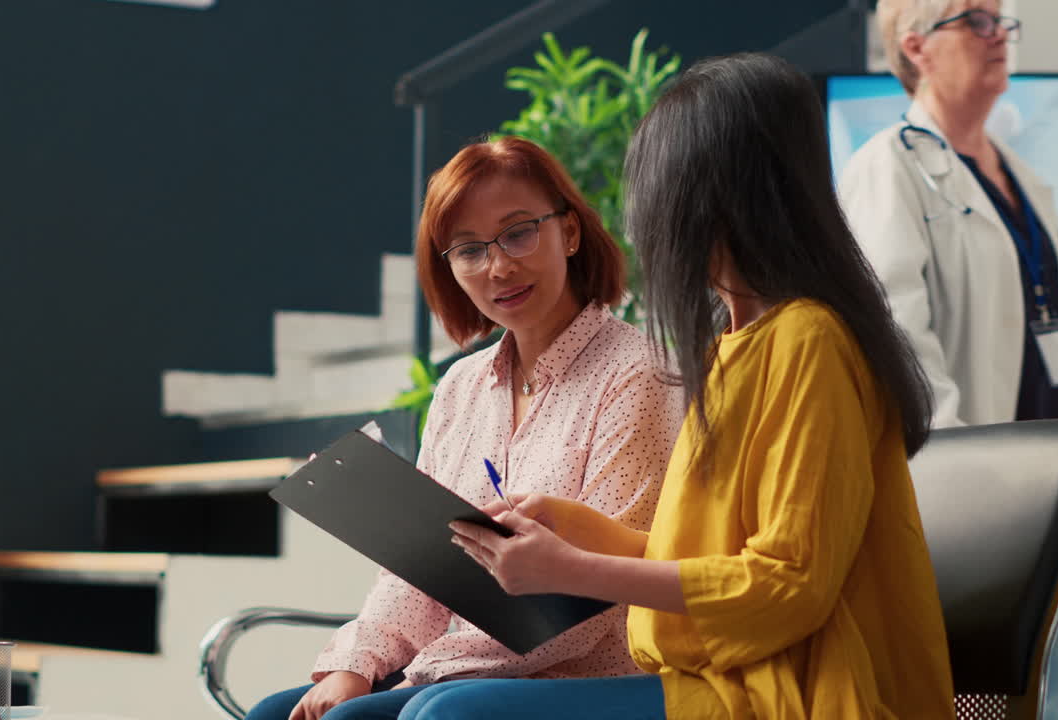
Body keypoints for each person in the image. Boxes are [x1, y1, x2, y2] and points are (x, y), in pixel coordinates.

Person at [419, 53, 955, 719]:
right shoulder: (730, 346)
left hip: (789, 691)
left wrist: (570, 570)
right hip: (727, 677)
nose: (643, 218)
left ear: (713, 198)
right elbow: (713, 568)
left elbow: (789, 586)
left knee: (448, 715)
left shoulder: (808, 340)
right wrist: (578, 530)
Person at [245, 137, 685, 720]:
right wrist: (357, 661)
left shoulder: (639, 373)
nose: (499, 266)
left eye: (519, 232)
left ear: (570, 233)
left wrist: (422, 674)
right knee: (275, 715)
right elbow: (423, 566)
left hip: (593, 674)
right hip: (473, 670)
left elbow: (589, 606)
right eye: (469, 249)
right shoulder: (461, 386)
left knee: (390, 715)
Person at [839, 0, 1058, 428]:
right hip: (962, 468)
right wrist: (954, 453)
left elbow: (1057, 343)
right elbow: (894, 336)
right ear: (917, 48)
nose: (998, 34)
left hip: (1045, 460)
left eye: (1000, 21)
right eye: (976, 22)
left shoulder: (1023, 179)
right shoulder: (888, 166)